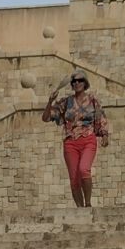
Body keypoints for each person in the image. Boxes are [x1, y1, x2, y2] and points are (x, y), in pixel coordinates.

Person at [42, 70, 109, 208]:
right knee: (74, 179)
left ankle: (88, 203)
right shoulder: (66, 102)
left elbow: (101, 117)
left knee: (84, 170)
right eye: (74, 81)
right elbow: (46, 118)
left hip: (88, 139)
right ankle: (80, 208)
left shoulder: (92, 100)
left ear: (85, 83)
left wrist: (104, 134)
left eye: (80, 80)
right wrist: (50, 101)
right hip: (70, 142)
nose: (77, 83)